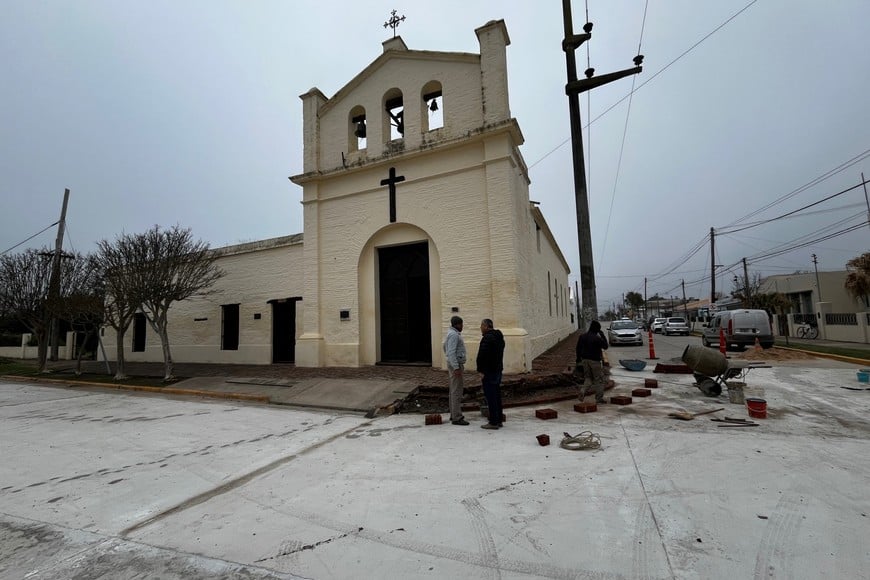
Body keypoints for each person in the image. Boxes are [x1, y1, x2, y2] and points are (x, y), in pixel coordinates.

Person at [476, 318, 506, 430]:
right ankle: (498, 419)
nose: (480, 328)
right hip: (498, 370)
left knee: (491, 396)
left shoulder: (487, 339)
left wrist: (481, 370)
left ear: (486, 326)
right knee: (497, 395)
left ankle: (493, 422)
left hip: (489, 372)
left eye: (481, 326)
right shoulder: (499, 337)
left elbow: (483, 356)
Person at [575, 320, 609, 404]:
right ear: (597, 329)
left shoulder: (582, 336)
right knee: (599, 380)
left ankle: (583, 391)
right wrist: (602, 335)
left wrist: (578, 359)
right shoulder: (597, 338)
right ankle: (599, 399)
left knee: (588, 378)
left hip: (585, 361)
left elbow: (578, 349)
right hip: (595, 361)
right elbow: (605, 346)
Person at [443, 316, 468, 425]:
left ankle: (453, 414)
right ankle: (457, 417)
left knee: (453, 390)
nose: (462, 326)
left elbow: (445, 347)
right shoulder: (454, 335)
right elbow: (451, 352)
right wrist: (456, 367)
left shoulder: (450, 333)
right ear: (458, 324)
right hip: (456, 365)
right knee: (456, 391)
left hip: (453, 364)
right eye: (461, 324)